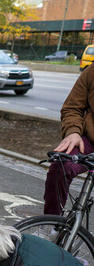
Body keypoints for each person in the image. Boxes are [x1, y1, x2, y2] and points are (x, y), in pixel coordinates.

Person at [43, 65, 94, 215]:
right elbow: (72, 107)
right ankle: (52, 223)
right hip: (90, 141)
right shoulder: (92, 71)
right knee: (61, 163)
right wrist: (73, 132)